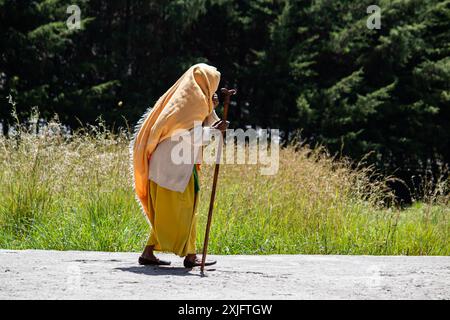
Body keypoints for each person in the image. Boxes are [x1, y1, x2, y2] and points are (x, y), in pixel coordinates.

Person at [131, 63, 228, 268]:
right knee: (186, 209)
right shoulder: (196, 102)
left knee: (169, 212)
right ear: (206, 83)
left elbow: (196, 124)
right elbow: (188, 136)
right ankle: (190, 256)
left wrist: (213, 110)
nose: (215, 90)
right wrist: (215, 131)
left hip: (166, 167)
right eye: (213, 85)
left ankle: (151, 252)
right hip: (174, 168)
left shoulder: (187, 99)